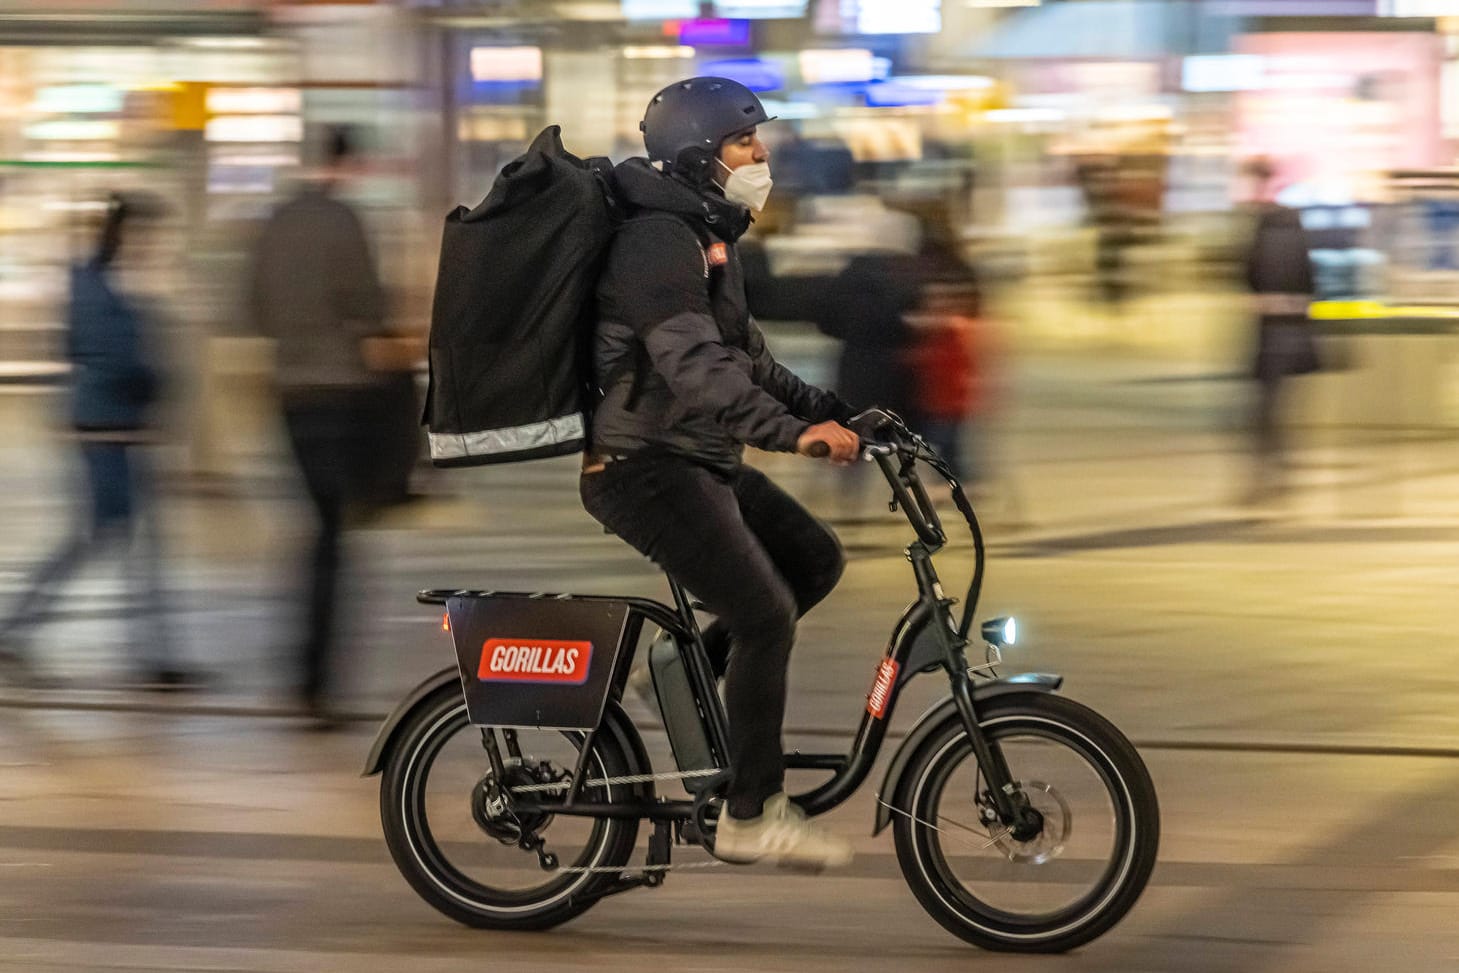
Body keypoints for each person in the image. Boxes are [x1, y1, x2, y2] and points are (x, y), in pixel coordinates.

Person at [581, 77, 860, 869]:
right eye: (745, 143)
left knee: (813, 559)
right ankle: (748, 812)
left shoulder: (707, 232)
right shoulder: (654, 242)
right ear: (701, 156)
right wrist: (791, 437)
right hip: (641, 465)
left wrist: (836, 410)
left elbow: (748, 358)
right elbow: (697, 367)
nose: (761, 154)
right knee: (764, 613)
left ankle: (678, 669)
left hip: (695, 456)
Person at [0, 192, 193, 690]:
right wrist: (153, 380)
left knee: (128, 540)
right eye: (147, 236)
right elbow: (114, 358)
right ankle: (15, 632)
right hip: (107, 428)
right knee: (100, 535)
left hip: (113, 425)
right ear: (126, 234)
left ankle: (153, 654)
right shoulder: (98, 287)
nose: (153, 246)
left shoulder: (97, 283)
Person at [249, 125, 401, 724]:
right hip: (342, 394)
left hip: (290, 393)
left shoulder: (275, 221)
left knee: (316, 527)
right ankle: (317, 683)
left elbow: (253, 307)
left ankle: (305, 676)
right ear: (349, 161)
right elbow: (369, 305)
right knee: (332, 537)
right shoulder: (345, 221)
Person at [1240, 157, 1318, 504]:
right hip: (1284, 330)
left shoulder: (1267, 225)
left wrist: (1271, 301)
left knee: (1266, 409)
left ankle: (1273, 476)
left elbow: (1250, 275)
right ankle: (1275, 475)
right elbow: (1308, 280)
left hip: (1275, 331)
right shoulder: (1285, 224)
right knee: (1269, 409)